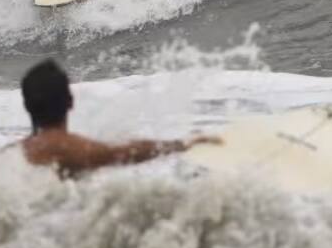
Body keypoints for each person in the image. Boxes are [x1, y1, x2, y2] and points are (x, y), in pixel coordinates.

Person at [18, 59, 220, 177]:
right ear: (70, 101)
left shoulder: (13, 154)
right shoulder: (69, 149)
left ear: (26, 106)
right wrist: (182, 145)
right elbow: (126, 152)